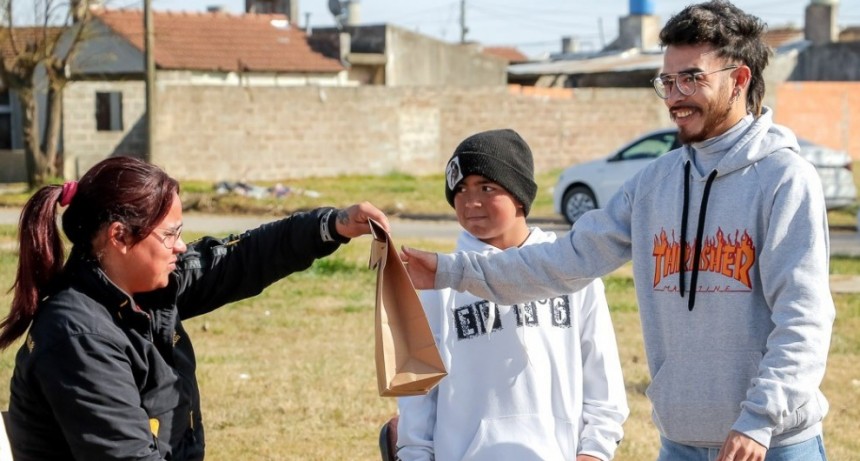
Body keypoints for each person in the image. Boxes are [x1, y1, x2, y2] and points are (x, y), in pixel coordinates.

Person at [401, 2, 834, 461]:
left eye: (691, 79)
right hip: (682, 445)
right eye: (667, 82)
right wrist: (449, 271)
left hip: (771, 443)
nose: (675, 96)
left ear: (739, 79)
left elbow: (804, 318)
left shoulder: (784, 179)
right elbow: (562, 262)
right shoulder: (654, 184)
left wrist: (759, 420)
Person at [0, 156, 389, 461]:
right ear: (119, 237)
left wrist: (333, 225)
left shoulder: (146, 286)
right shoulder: (79, 338)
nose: (181, 246)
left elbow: (242, 258)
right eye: (170, 234)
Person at [396, 129, 628, 461]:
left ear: (519, 193)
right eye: (460, 189)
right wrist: (415, 454)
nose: (471, 201)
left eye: (487, 188)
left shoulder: (571, 272)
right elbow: (417, 391)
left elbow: (601, 374)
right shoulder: (437, 280)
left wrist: (594, 451)